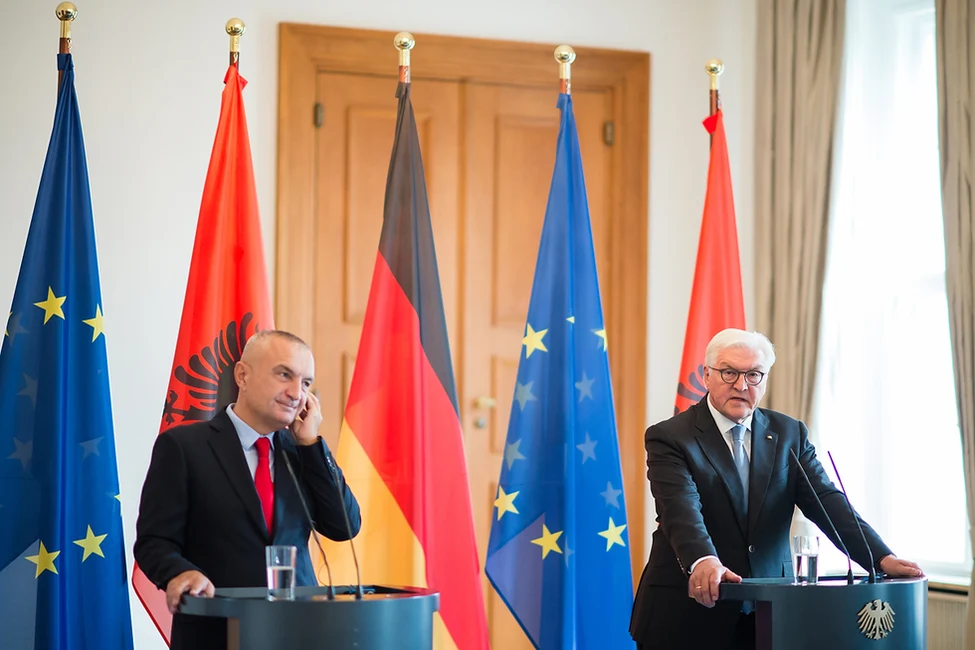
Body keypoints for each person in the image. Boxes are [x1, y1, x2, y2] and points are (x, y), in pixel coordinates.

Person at [629, 329, 922, 650]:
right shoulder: (670, 436)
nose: (741, 385)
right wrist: (703, 560)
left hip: (773, 610)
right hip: (689, 610)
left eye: (753, 374)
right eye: (729, 373)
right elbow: (681, 509)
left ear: (765, 380)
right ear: (707, 375)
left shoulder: (789, 433)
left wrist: (879, 557)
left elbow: (826, 501)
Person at [134, 330, 361, 650]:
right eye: (285, 374)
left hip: (299, 633)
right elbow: (154, 541)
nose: (297, 393)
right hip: (217, 631)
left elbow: (344, 526)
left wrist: (311, 444)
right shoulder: (184, 447)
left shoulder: (302, 452)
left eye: (306, 383)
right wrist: (180, 572)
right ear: (242, 374)